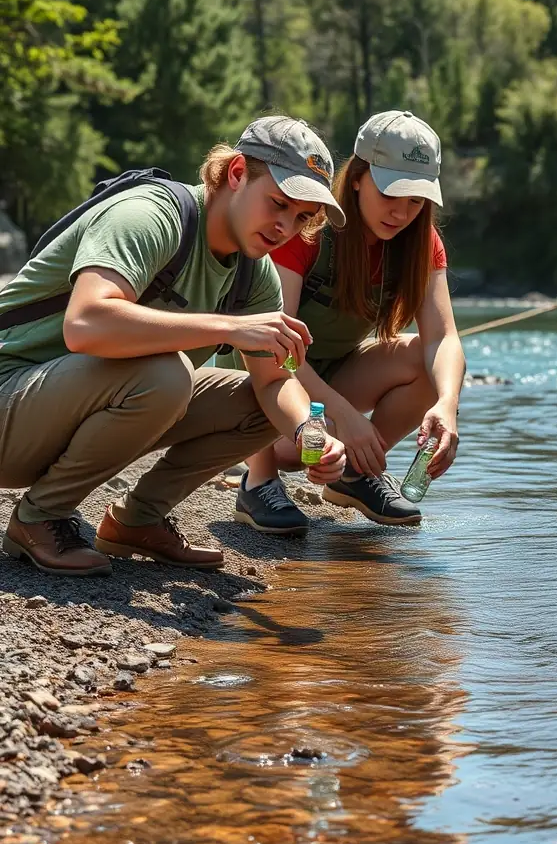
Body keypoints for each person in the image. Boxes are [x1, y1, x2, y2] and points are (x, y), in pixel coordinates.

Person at [0, 116, 347, 577]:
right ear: (238, 173)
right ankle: (40, 517)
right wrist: (227, 328)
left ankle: (136, 521)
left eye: (302, 217)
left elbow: (274, 382)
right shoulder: (151, 214)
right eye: (278, 203)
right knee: (166, 375)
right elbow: (85, 324)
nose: (285, 226)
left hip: (57, 409)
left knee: (257, 403)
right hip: (10, 395)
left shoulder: (254, 272)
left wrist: (308, 433)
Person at [222, 109, 465, 535]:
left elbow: (443, 339)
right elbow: (269, 349)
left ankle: (354, 476)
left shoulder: (423, 243)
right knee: (263, 357)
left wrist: (446, 406)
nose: (402, 212)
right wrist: (345, 417)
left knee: (423, 362)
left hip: (331, 379)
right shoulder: (305, 229)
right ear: (357, 177)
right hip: (269, 383)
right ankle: (258, 481)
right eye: (391, 193)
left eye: (416, 199)